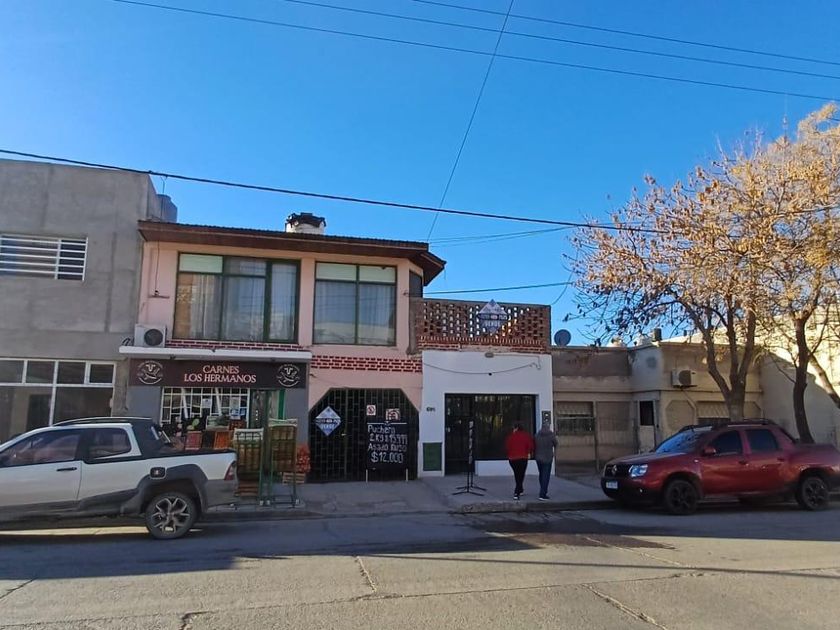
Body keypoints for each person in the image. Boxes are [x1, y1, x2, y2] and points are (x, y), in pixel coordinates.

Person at [505, 422, 535, 500]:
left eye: (513, 428)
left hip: (512, 459)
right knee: (521, 475)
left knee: (517, 474)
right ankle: (517, 492)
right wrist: (528, 452)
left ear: (516, 428)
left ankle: (520, 489)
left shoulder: (511, 437)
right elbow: (531, 446)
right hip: (523, 458)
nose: (513, 430)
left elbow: (507, 447)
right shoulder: (526, 436)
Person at [534, 420, 559, 501]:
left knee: (541, 475)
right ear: (548, 426)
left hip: (538, 457)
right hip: (547, 458)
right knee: (546, 476)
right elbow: (556, 444)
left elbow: (534, 445)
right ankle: (543, 494)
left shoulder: (537, 435)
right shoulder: (551, 435)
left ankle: (542, 489)